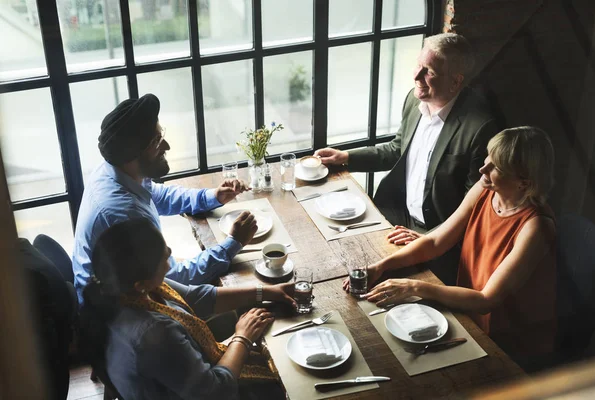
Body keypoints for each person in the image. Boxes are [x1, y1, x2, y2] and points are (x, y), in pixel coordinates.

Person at [347, 127, 556, 364]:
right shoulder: (485, 189)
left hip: (508, 336)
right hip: (466, 308)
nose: (482, 169)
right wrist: (381, 266)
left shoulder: (536, 227)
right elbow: (436, 241)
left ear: (523, 182)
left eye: (495, 167)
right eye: (487, 158)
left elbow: (487, 300)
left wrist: (414, 286)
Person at [315, 33, 499, 248]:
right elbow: (397, 150)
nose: (417, 76)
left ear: (455, 81)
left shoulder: (480, 129)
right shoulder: (415, 99)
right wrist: (345, 157)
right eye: (418, 65)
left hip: (435, 235)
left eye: (429, 71)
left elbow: (475, 204)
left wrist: (429, 239)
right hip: (396, 215)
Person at [80, 218, 292, 399]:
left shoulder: (126, 289)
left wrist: (264, 291)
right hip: (210, 392)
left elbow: (196, 297)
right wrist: (242, 337)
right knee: (290, 382)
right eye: (163, 256)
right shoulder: (153, 334)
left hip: (189, 377)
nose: (169, 255)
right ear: (140, 283)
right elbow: (216, 391)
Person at [73, 94, 253, 304]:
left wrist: (212, 196)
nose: (166, 146)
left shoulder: (116, 170)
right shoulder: (125, 216)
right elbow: (172, 279)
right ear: (133, 154)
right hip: (120, 318)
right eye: (157, 141)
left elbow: (159, 196)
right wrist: (233, 244)